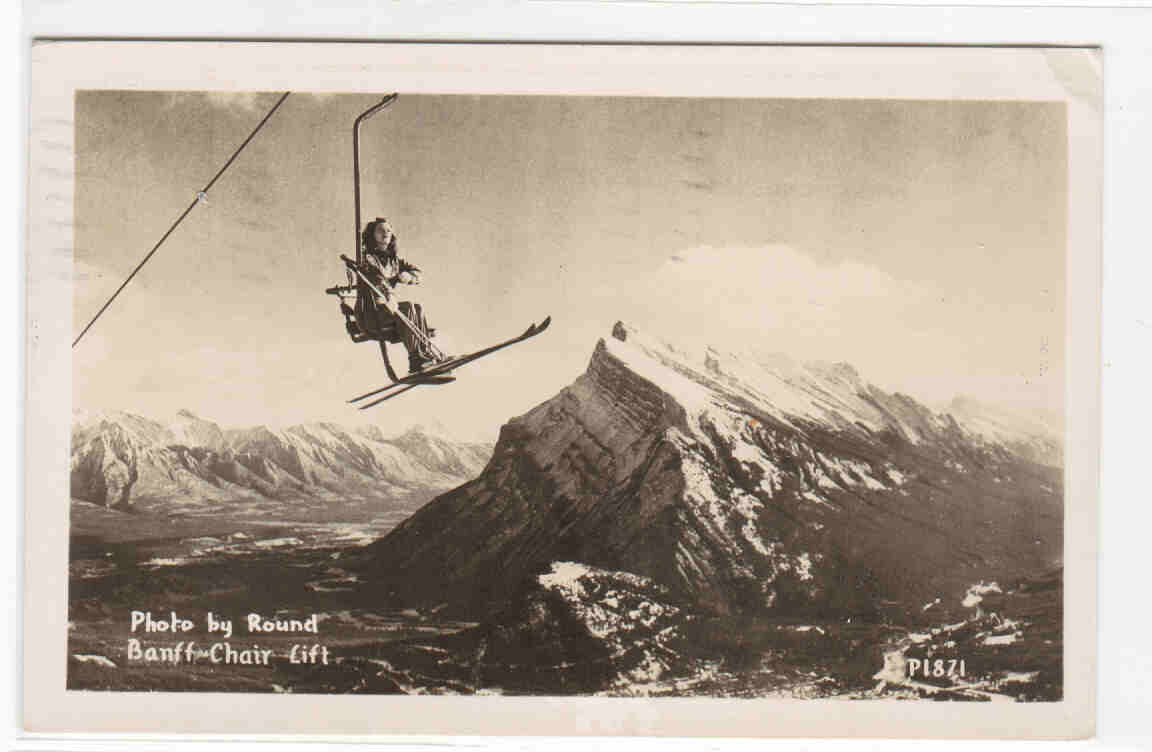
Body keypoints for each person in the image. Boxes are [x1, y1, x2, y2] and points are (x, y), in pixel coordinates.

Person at [359, 217, 443, 373]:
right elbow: (376, 280)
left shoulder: (394, 261)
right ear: (373, 235)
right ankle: (415, 359)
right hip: (372, 311)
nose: (385, 233)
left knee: (417, 307)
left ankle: (425, 354)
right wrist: (388, 294)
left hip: (389, 307)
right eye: (380, 230)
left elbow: (418, 273)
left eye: (388, 231)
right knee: (408, 307)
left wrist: (409, 277)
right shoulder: (367, 259)